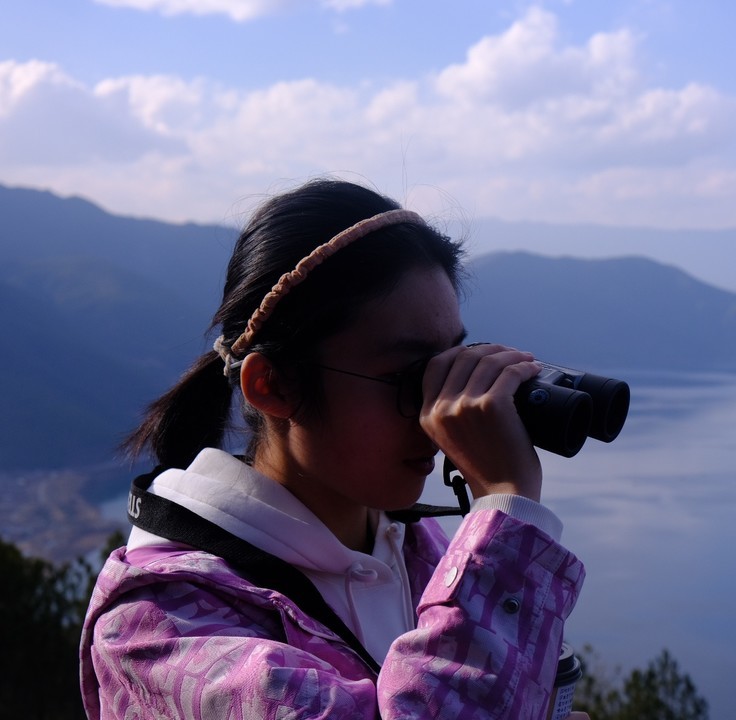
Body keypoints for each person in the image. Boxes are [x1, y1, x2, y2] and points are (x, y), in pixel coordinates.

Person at [79, 179, 588, 719]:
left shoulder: (416, 549)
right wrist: (506, 509)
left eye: (451, 364)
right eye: (409, 376)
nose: (439, 410)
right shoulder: (159, 630)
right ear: (274, 385)